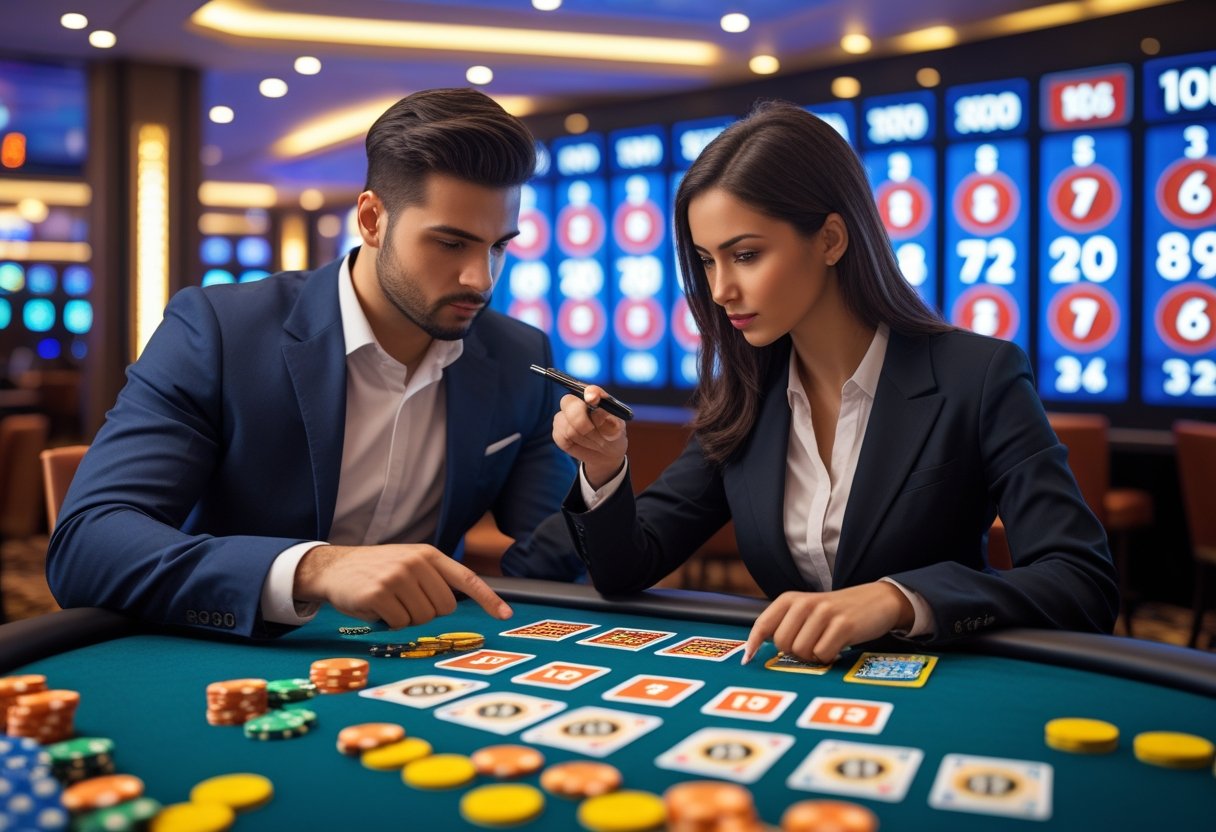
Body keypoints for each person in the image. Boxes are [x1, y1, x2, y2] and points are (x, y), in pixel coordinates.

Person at [552, 100, 1119, 665]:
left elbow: (1081, 582)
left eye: (745, 255)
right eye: (705, 261)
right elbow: (626, 567)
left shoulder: (978, 375)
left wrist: (900, 599)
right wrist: (603, 467)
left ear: (830, 240)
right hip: (795, 705)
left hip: (936, 694)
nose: (720, 289)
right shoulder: (745, 395)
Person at [47, 88, 581, 638]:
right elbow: (87, 545)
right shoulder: (220, 331)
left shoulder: (522, 355)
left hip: (424, 653)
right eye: (450, 244)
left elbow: (553, 560)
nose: (481, 279)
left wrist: (603, 477)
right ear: (373, 220)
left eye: (498, 247)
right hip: (234, 653)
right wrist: (316, 566)